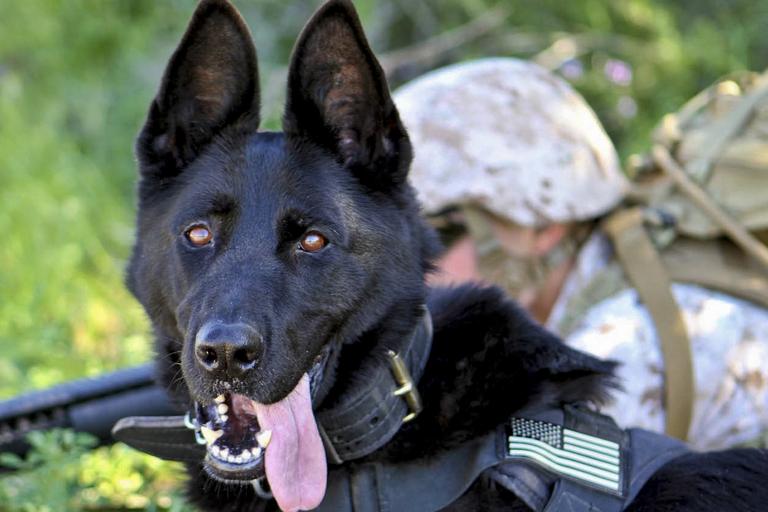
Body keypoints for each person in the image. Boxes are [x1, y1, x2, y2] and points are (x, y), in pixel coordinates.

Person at [393, 57, 768, 450]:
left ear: (542, 227)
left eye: (437, 231)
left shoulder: (622, 350)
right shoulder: (613, 284)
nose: (413, 261)